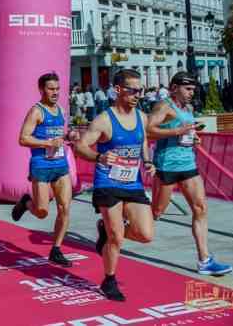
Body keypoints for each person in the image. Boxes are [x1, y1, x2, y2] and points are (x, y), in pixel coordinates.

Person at [75, 69, 155, 302]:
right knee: (117, 238)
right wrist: (98, 157)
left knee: (145, 234)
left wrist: (147, 161)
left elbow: (143, 140)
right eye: (132, 90)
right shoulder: (104, 120)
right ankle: (109, 280)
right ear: (118, 90)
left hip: (132, 183)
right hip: (107, 182)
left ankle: (106, 230)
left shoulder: (142, 117)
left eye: (140, 90)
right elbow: (80, 146)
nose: (138, 94)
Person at [147, 72, 232, 276]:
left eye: (193, 89)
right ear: (174, 88)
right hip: (167, 165)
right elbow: (148, 130)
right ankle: (117, 227)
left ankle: (204, 260)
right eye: (188, 89)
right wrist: (177, 132)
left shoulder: (189, 108)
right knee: (156, 212)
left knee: (200, 208)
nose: (191, 93)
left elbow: (186, 131)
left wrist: (193, 138)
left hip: (188, 164)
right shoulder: (164, 106)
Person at [11, 72, 76, 267]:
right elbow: (23, 139)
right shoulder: (36, 112)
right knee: (41, 212)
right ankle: (26, 202)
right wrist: (47, 143)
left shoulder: (61, 110)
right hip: (41, 165)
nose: (55, 92)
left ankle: (56, 249)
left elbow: (61, 135)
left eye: (57, 89)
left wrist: (70, 135)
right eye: (51, 89)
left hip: (60, 165)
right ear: (41, 90)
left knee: (65, 208)